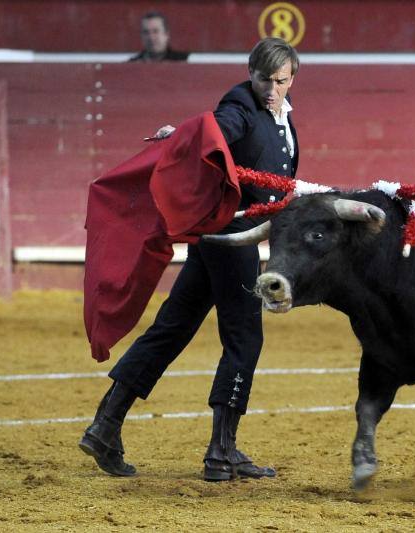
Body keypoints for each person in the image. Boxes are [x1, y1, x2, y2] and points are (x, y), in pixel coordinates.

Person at [80, 37, 299, 481]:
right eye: (264, 80)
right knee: (244, 337)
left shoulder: (282, 113)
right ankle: (222, 451)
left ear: (293, 78)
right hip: (231, 237)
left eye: (281, 81)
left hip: (223, 239)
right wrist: (180, 139)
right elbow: (215, 130)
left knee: (173, 327)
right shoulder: (239, 104)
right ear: (249, 73)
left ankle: (106, 425)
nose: (272, 89)